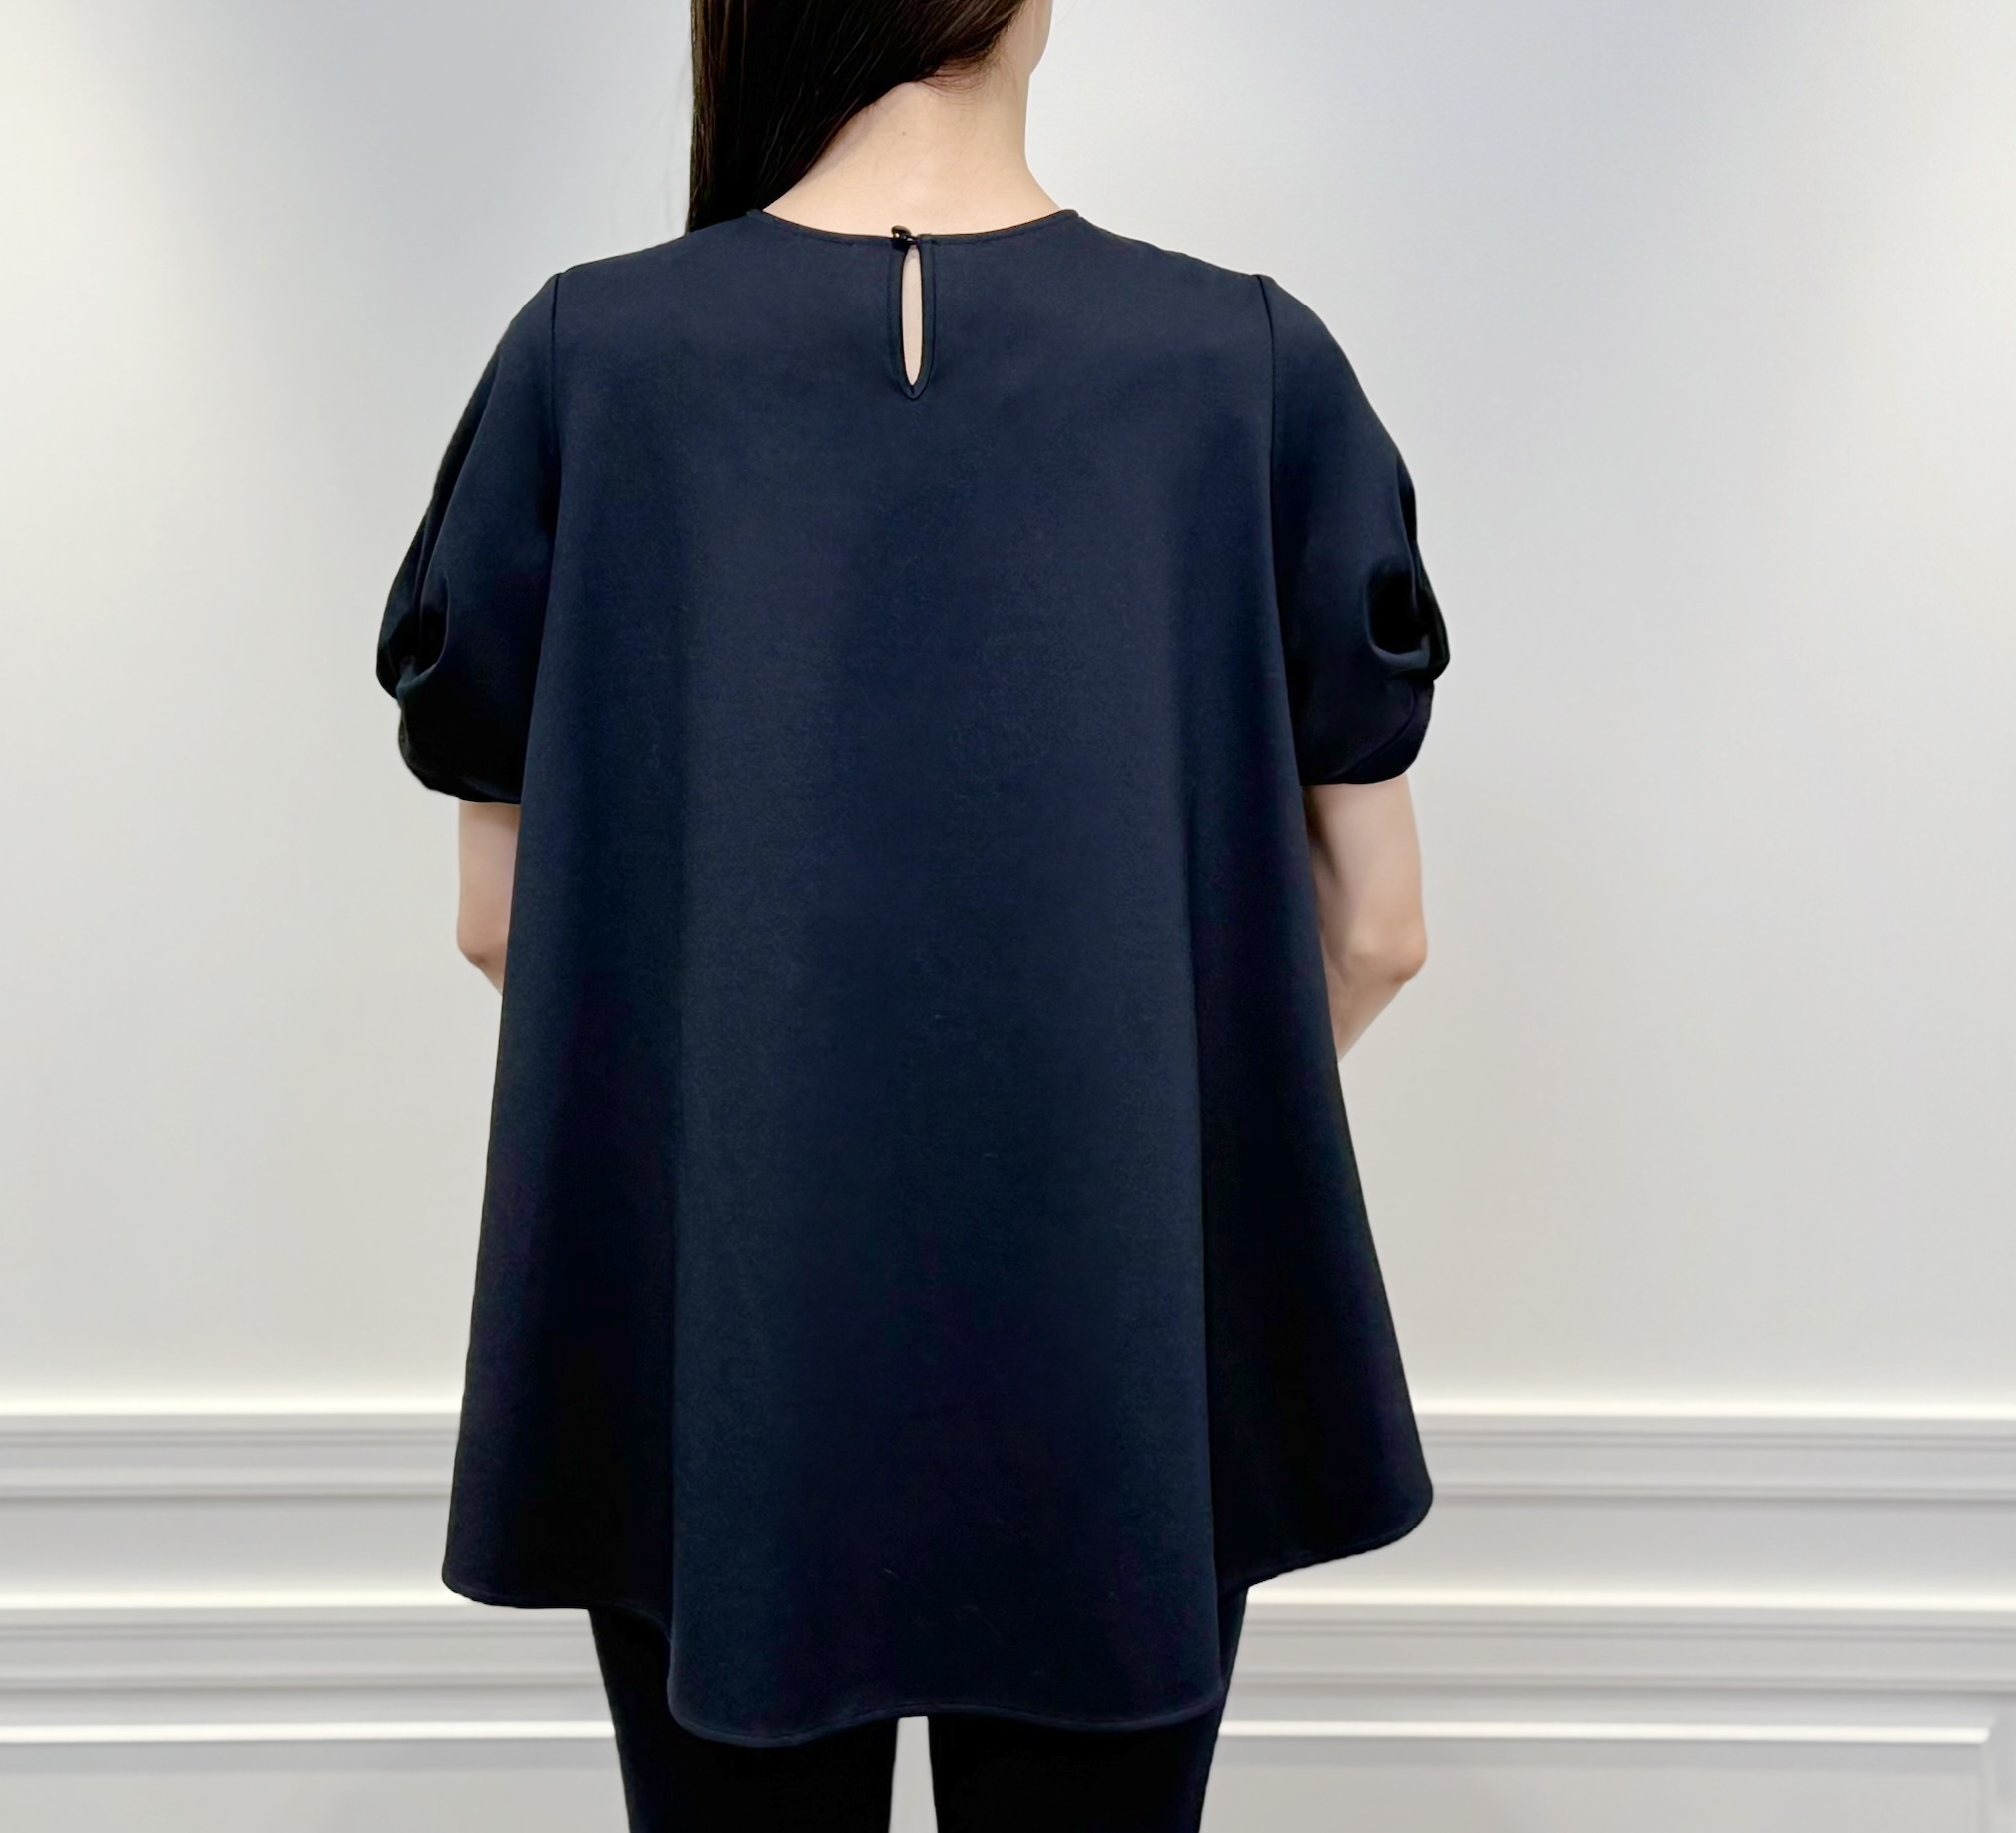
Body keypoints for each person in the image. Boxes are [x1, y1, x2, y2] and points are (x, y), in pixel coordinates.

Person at [375, 2, 1449, 1826]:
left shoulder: (589, 361)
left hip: (728, 1364)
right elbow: (1376, 934)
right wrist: (1115, 1128)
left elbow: (506, 929)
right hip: (1115, 1355)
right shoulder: (1246, 364)